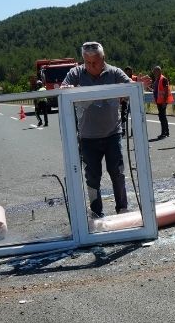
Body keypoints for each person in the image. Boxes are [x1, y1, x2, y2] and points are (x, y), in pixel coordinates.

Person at [61, 42, 132, 218]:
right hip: (88, 137)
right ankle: (96, 211)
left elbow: (131, 86)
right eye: (88, 62)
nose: (92, 66)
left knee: (117, 172)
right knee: (92, 178)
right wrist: (67, 89)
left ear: (103, 58)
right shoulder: (76, 73)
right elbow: (63, 88)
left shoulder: (114, 72)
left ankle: (122, 209)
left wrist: (138, 86)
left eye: (95, 62)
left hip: (112, 134)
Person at [150, 65, 174, 140]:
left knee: (162, 117)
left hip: (162, 101)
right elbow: (156, 90)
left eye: (155, 71)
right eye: (153, 71)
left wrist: (164, 101)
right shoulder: (157, 79)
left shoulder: (163, 79)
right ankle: (165, 132)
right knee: (161, 117)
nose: (154, 73)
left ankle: (164, 133)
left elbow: (166, 90)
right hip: (159, 101)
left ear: (159, 71)